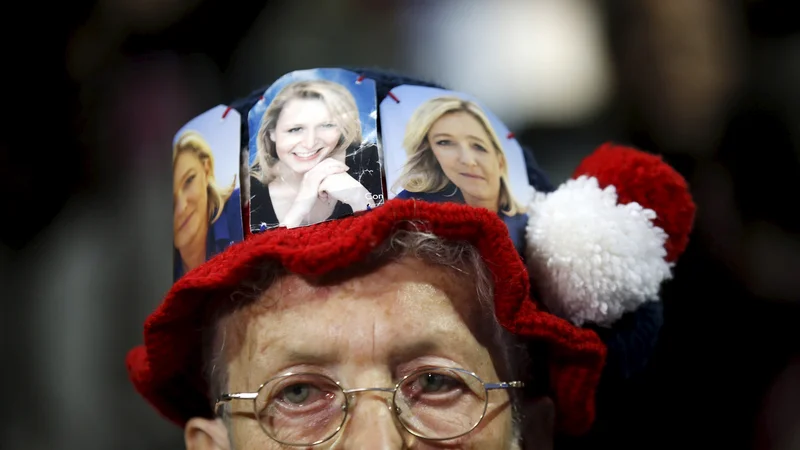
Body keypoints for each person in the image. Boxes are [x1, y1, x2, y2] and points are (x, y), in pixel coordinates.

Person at [394, 96, 528, 255]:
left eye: (479, 146)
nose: (468, 160)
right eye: (445, 142)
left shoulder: (534, 232)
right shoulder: (407, 216)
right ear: (429, 155)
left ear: (500, 163)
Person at [249, 79, 382, 229]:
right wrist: (298, 211)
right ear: (271, 133)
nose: (310, 143)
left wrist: (360, 199)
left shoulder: (370, 160)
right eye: (295, 129)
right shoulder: (248, 192)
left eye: (326, 125)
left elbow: (390, 247)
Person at [173, 130, 243, 280]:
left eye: (189, 180)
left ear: (206, 168)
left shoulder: (241, 209)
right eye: (171, 198)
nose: (181, 207)